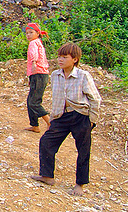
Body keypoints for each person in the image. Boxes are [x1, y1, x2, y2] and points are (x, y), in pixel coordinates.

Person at [31, 43, 101, 196]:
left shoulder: (83, 76)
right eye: (59, 57)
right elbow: (56, 99)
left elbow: (95, 99)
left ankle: (80, 184)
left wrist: (91, 120)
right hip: (62, 115)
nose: (60, 60)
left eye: (65, 57)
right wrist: (53, 120)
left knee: (83, 150)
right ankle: (47, 175)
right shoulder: (56, 75)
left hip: (80, 115)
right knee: (46, 141)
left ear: (75, 59)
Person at [24, 23, 50, 133]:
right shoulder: (38, 42)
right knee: (31, 100)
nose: (28, 35)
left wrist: (34, 64)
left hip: (38, 73)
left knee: (33, 102)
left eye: (31, 32)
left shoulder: (33, 43)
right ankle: (35, 125)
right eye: (27, 33)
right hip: (39, 74)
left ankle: (49, 122)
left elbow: (33, 55)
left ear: (37, 33)